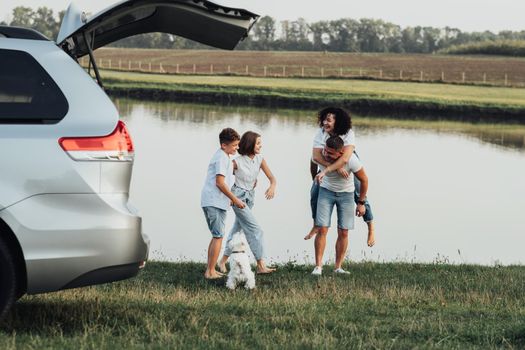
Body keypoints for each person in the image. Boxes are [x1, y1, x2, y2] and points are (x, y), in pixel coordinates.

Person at [304, 107, 375, 247]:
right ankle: (316, 224)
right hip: (327, 161)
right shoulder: (321, 133)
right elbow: (316, 156)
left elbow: (346, 158)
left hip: (347, 162)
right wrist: (323, 174)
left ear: (338, 122)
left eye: (329, 120)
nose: (325, 122)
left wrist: (334, 168)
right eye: (324, 119)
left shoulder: (348, 134)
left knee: (358, 192)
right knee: (314, 193)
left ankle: (370, 225)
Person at [218, 131, 277, 274]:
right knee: (256, 229)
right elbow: (223, 178)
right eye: (258, 143)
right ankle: (261, 265)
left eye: (260, 143)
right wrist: (231, 197)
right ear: (250, 143)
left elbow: (272, 178)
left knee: (237, 229)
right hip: (238, 198)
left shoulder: (260, 159)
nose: (260, 146)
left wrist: (272, 186)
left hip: (250, 198)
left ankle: (222, 261)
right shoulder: (236, 162)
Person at [311, 135, 369, 275]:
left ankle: (338, 267)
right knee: (322, 229)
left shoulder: (352, 160)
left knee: (344, 231)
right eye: (325, 150)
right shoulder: (319, 156)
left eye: (331, 153)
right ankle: (318, 266)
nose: (326, 154)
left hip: (347, 195)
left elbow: (364, 180)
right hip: (326, 192)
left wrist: (361, 203)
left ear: (341, 153)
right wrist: (314, 179)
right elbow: (313, 164)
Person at [201, 128, 245, 280]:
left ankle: (211, 269)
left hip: (217, 202)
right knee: (218, 236)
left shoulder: (225, 157)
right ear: (223, 145)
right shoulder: (221, 158)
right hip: (214, 201)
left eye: (237, 145)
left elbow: (226, 177)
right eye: (234, 146)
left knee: (217, 236)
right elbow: (220, 183)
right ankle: (210, 272)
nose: (237, 148)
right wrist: (235, 199)